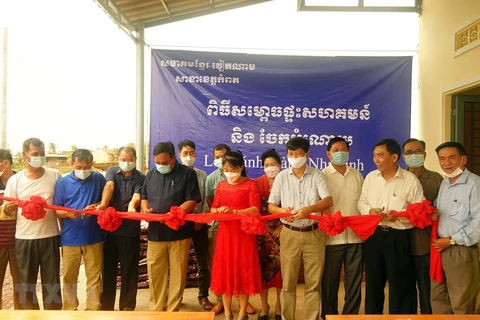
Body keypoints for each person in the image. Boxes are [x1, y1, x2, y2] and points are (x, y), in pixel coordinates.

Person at [268, 137, 333, 320]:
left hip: (314, 233)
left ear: (307, 154)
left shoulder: (317, 174)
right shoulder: (281, 176)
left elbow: (328, 200)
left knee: (313, 282)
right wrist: (282, 211)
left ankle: (311, 317)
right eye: (290, 154)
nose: (294, 157)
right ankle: (288, 317)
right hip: (290, 233)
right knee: (288, 282)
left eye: (298, 154)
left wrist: (309, 209)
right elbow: (271, 205)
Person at [358, 138, 424, 314]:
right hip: (374, 235)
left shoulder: (410, 180)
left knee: (401, 285)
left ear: (394, 157)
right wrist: (370, 211)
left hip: (399, 236)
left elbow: (419, 211)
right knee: (373, 284)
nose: (376, 160)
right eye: (374, 156)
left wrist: (400, 218)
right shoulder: (371, 178)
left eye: (380, 155)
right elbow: (361, 202)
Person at [141, 141, 201, 312]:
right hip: (155, 233)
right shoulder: (151, 174)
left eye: (165, 163)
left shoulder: (187, 174)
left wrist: (173, 215)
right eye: (158, 163)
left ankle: (173, 310)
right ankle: (157, 309)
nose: (161, 166)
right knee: (155, 272)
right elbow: (144, 196)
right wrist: (145, 209)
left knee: (178, 273)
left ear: (174, 158)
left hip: (179, 233)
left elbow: (191, 200)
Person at [4, 138, 62, 310]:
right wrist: (10, 209)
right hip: (24, 239)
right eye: (35, 154)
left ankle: (53, 316)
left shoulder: (55, 175)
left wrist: (63, 234)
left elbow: (60, 206)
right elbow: (7, 211)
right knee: (25, 285)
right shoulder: (15, 180)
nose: (40, 157)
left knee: (52, 284)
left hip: (50, 236)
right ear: (25, 155)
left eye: (42, 154)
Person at [210, 150, 263, 320]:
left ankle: (242, 314)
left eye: (233, 169)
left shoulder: (250, 184)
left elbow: (256, 208)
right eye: (226, 169)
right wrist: (217, 210)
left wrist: (235, 211)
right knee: (225, 272)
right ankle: (227, 312)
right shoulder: (221, 186)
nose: (230, 173)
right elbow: (213, 208)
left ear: (242, 167)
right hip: (225, 234)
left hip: (244, 234)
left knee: (243, 272)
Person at [430, 141, 480, 314]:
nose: (446, 163)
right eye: (442, 159)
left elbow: (478, 223)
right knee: (439, 300)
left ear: (463, 159)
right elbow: (442, 209)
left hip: (459, 250)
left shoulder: (475, 184)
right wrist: (433, 212)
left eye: (452, 158)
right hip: (439, 249)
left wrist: (451, 240)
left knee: (462, 303)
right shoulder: (445, 183)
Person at [54, 149, 106, 310]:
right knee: (69, 276)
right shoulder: (62, 183)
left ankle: (93, 308)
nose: (83, 171)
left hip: (94, 237)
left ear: (92, 165)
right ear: (71, 164)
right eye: (79, 167)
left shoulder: (98, 178)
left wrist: (97, 206)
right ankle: (70, 308)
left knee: (94, 277)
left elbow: (106, 201)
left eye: (86, 167)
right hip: (70, 238)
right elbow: (57, 210)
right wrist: (67, 213)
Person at [321, 137, 364, 319]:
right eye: (336, 150)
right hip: (332, 238)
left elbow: (363, 202)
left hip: (355, 237)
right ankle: (329, 316)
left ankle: (350, 316)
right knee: (329, 281)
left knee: (354, 282)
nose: (340, 153)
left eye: (344, 150)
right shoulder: (321, 175)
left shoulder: (357, 174)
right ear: (328, 154)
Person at [97, 146, 145, 311]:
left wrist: (132, 207)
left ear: (135, 160)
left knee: (129, 270)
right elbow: (109, 187)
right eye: (123, 160)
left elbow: (137, 196)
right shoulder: (111, 171)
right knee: (108, 269)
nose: (126, 163)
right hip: (109, 230)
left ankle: (127, 306)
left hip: (130, 230)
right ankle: (106, 306)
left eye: (130, 160)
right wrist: (103, 204)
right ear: (118, 159)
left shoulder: (140, 177)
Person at [402, 138, 443, 314]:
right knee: (404, 289)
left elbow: (443, 208)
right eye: (409, 152)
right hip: (401, 242)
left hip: (424, 243)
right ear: (403, 156)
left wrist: (433, 212)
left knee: (427, 290)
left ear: (424, 154)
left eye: (417, 151)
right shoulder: (397, 177)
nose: (414, 155)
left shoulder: (436, 179)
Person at [177, 140, 213, 311]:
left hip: (199, 223)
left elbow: (206, 199)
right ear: (179, 155)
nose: (188, 156)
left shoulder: (202, 175)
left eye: (191, 153)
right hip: (181, 224)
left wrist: (202, 219)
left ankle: (203, 295)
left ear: (196, 154)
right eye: (185, 153)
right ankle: (177, 296)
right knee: (178, 261)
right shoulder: (175, 175)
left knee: (202, 261)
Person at [255, 148, 283, 320]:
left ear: (280, 165)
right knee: (262, 271)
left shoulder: (287, 181)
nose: (270, 167)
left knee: (282, 271)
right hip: (262, 232)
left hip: (283, 231)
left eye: (273, 164)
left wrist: (282, 227)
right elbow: (253, 207)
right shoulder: (257, 183)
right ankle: (264, 306)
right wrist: (263, 226)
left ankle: (280, 306)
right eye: (267, 165)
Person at [0, 149, 20, 309]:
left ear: (5, 162)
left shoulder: (22, 179)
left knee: (21, 284)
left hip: (19, 241)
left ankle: (21, 316)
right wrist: (4, 210)